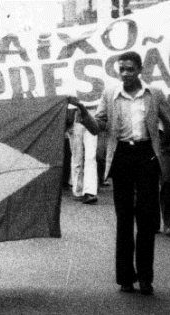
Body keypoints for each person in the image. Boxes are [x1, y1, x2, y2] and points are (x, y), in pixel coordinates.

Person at [68, 51, 170, 295]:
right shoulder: (110, 94)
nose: (125, 74)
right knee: (124, 218)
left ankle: (145, 277)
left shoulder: (154, 94)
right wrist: (82, 110)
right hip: (122, 157)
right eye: (121, 69)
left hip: (147, 157)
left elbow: (168, 121)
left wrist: (164, 147)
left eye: (130, 69)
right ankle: (126, 277)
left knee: (146, 220)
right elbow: (98, 127)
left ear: (140, 69)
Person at [68, 108, 99, 204]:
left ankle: (89, 191)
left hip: (92, 116)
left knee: (91, 156)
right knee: (77, 157)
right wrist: (68, 123)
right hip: (75, 117)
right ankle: (78, 188)